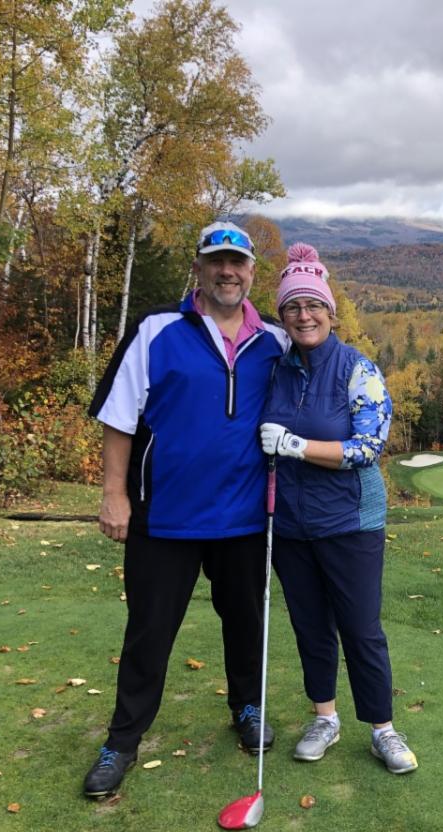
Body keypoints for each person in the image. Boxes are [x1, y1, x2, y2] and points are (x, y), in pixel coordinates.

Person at [82, 221, 290, 798]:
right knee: (149, 632)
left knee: (246, 623)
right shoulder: (157, 329)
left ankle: (247, 707)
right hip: (164, 516)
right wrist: (114, 494)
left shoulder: (274, 341)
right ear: (198, 268)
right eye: (216, 261)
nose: (227, 271)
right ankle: (123, 740)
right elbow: (119, 419)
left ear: (252, 272)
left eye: (237, 262)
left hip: (245, 517)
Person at [259, 242, 416, 774]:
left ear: (330, 312)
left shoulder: (357, 369)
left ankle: (383, 729)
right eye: (293, 307)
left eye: (313, 305)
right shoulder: (276, 370)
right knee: (310, 626)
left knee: (360, 628)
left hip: (351, 521)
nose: (304, 316)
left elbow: (367, 448)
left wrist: (296, 446)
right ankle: (324, 717)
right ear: (282, 316)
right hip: (290, 523)